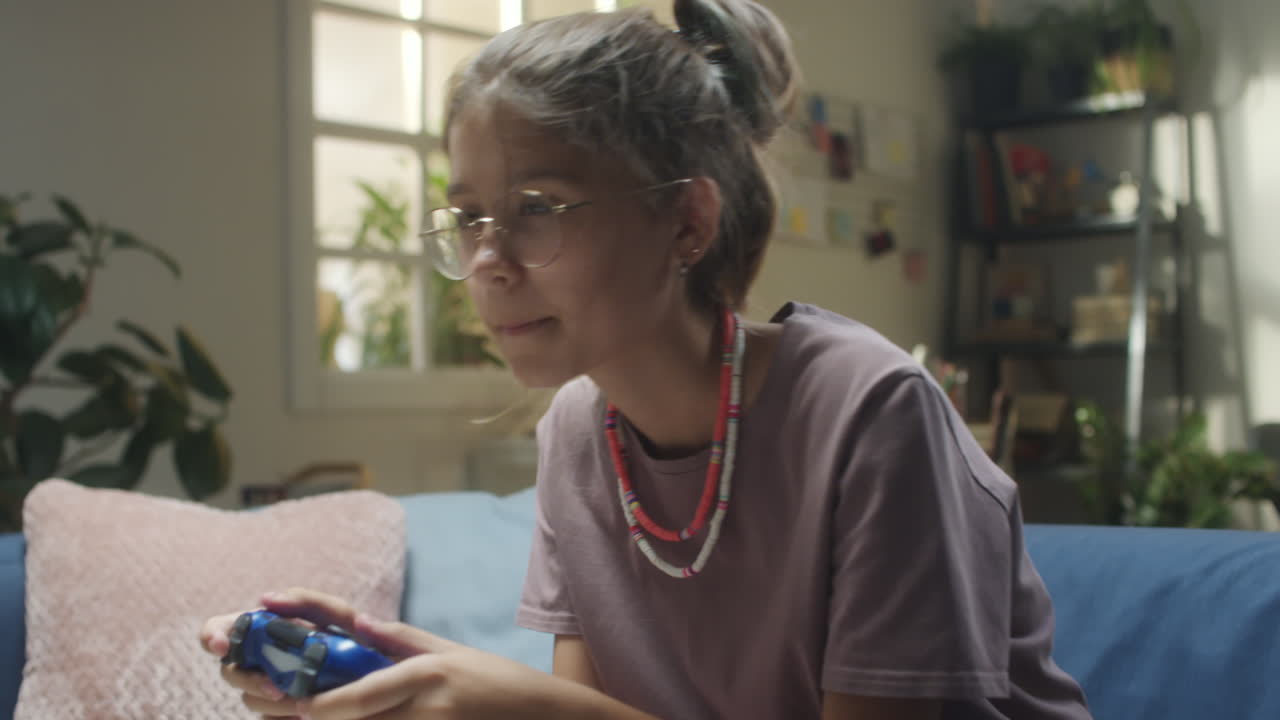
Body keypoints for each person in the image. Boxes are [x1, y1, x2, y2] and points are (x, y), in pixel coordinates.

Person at [200, 1, 1093, 718]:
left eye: (538, 206)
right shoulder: (580, 438)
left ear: (688, 222)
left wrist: (521, 708)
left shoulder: (870, 414)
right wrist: (433, 687)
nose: (486, 260)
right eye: (469, 217)